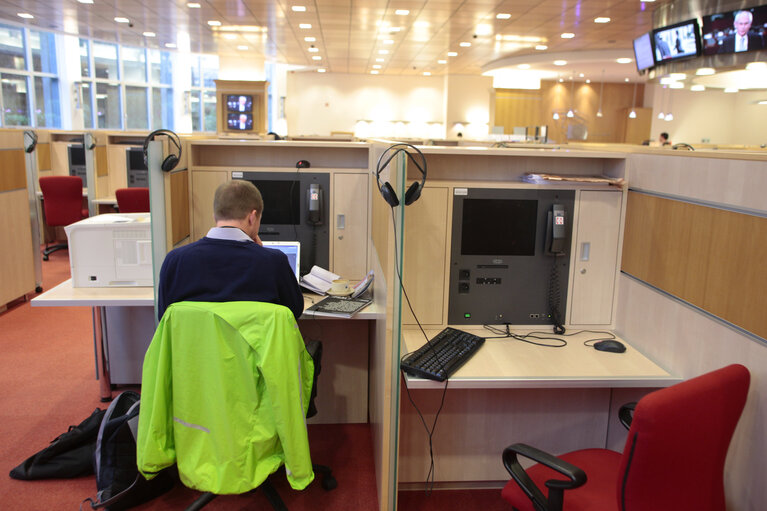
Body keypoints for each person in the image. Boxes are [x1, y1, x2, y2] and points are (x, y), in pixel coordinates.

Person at [157, 179, 303, 321]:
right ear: (252, 217)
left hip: (194, 345)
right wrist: (263, 254)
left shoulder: (175, 261)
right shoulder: (274, 262)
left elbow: (165, 320)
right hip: (254, 346)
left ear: (215, 216)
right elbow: (293, 312)